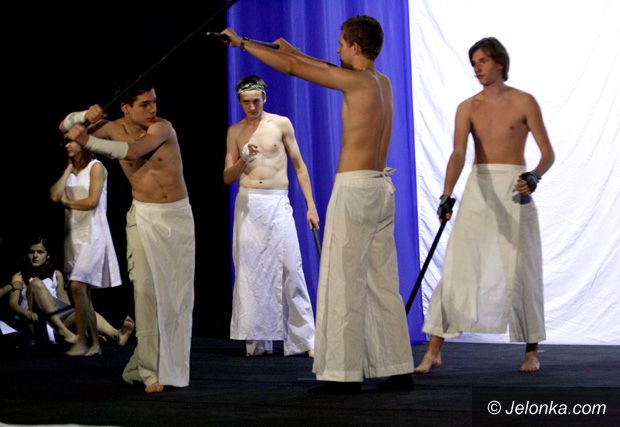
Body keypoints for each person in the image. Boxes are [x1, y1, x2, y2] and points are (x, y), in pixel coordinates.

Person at [221, 16, 414, 393]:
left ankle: (341, 376)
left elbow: (296, 70)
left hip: (355, 190)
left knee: (341, 282)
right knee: (381, 282)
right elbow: (318, 66)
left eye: (341, 43)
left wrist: (243, 43)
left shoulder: (356, 82)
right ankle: (397, 368)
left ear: (355, 46)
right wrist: (295, 51)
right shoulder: (381, 82)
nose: (336, 48)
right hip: (379, 189)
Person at [414, 37, 555, 374]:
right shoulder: (468, 107)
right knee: (457, 266)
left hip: (515, 189)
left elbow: (547, 153)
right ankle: (434, 350)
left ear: (499, 63)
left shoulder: (524, 101)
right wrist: (446, 194)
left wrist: (534, 176)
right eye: (474, 62)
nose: (477, 68)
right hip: (479, 188)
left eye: (483, 61)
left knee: (522, 268)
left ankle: (531, 350)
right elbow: (458, 153)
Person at [63, 81, 195, 393]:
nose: (153, 109)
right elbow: (65, 125)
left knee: (177, 297)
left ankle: (148, 365)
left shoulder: (162, 128)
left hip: (177, 216)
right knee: (146, 292)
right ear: (125, 108)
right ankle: (149, 371)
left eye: (154, 102)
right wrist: (84, 116)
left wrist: (88, 140)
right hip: (144, 217)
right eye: (145, 104)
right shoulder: (110, 128)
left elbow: (133, 151)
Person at [225, 75, 317, 358]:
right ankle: (258, 339)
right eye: (246, 102)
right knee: (252, 270)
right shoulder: (235, 131)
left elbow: (299, 166)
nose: (252, 107)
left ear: (265, 98)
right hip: (249, 203)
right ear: (240, 101)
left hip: (277, 200)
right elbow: (227, 177)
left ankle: (305, 340)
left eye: (256, 101)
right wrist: (243, 159)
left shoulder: (280, 124)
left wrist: (311, 205)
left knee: (292, 268)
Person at [50, 138, 123, 356]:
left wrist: (68, 203)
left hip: (93, 234)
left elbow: (92, 201)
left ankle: (82, 340)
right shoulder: (70, 172)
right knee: (83, 293)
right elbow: (54, 195)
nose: (68, 145)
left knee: (76, 286)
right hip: (73, 236)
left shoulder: (96, 167)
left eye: (73, 142)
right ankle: (94, 344)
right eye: (66, 142)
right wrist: (68, 170)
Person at [6, 236, 134, 347]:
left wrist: (82, 324)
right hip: (34, 322)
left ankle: (116, 335)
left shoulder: (56, 275)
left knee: (83, 310)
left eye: (40, 252)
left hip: (55, 321)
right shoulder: (19, 277)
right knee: (35, 283)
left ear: (47, 255)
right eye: (31, 252)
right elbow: (13, 304)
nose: (35, 256)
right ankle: (66, 333)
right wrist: (27, 313)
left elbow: (65, 305)